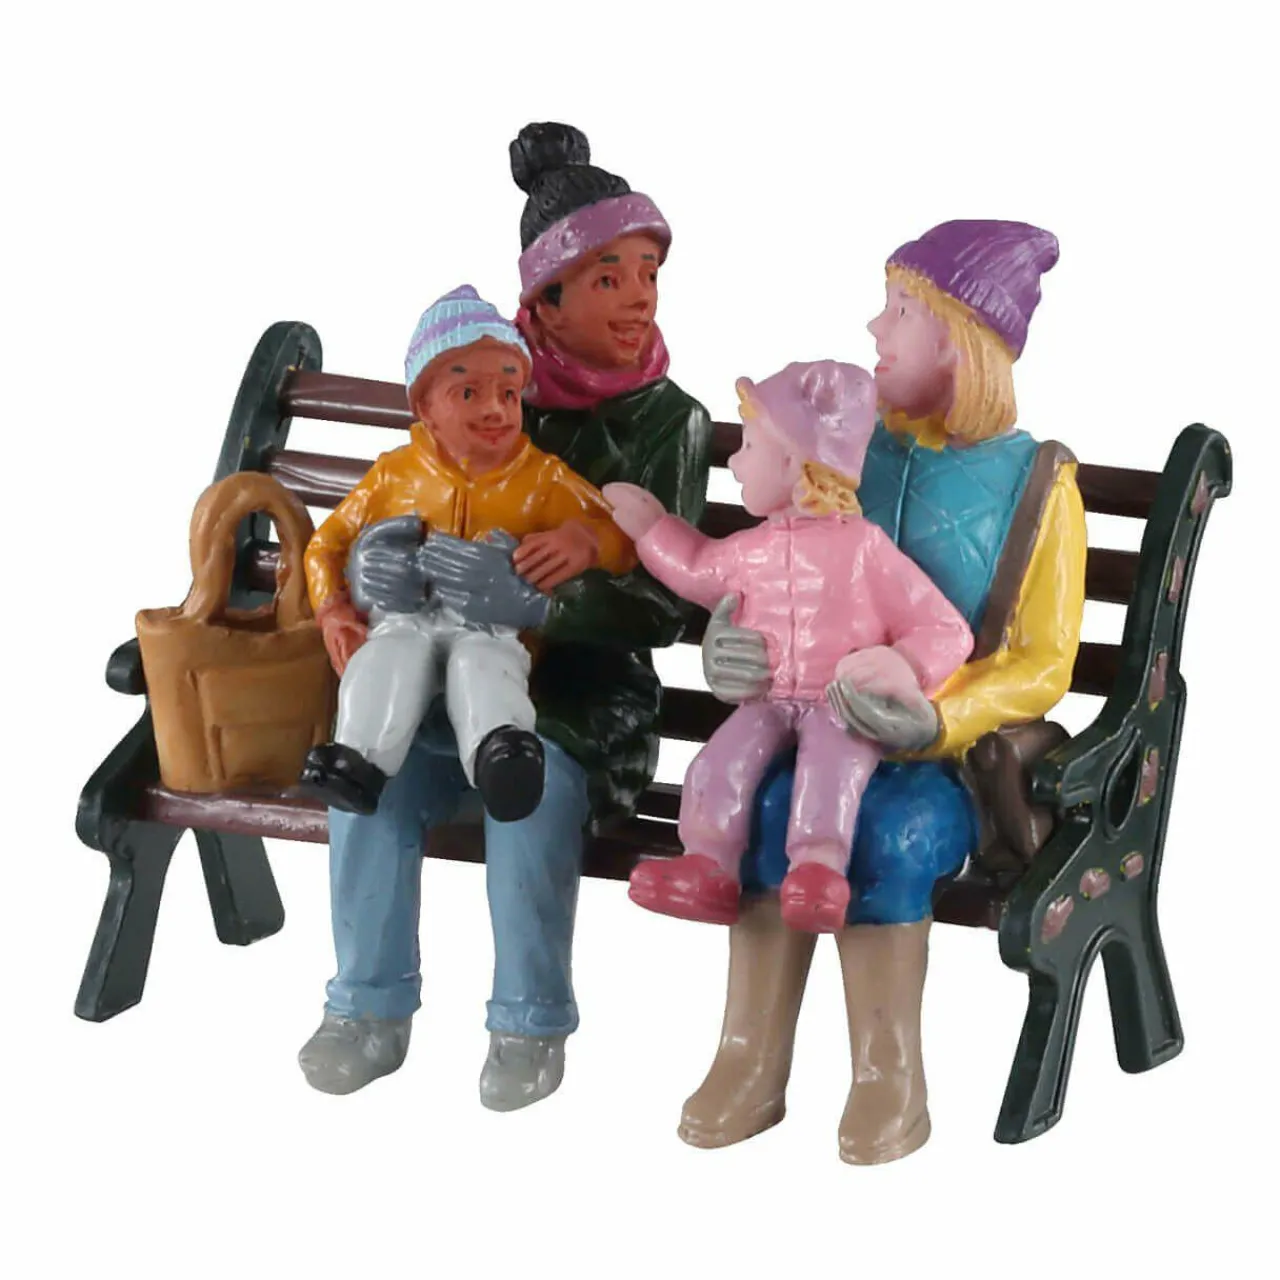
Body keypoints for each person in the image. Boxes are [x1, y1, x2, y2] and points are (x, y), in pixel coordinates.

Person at [297, 123, 712, 1111]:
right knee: (372, 785)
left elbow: (665, 603)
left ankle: (528, 1023)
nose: (639, 297)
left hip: (575, 706)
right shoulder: (484, 380)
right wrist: (370, 573)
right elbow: (375, 520)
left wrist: (543, 600)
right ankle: (367, 1007)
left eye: (647, 273)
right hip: (428, 683)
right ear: (544, 301)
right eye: (607, 277)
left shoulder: (667, 422)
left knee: (529, 793)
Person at [689, 220, 1087, 1165]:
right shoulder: (848, 454)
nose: (876, 328)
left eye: (902, 311)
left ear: (960, 340)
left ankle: (887, 1074)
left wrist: (937, 715)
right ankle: (749, 1057)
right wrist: (729, 646)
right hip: (811, 728)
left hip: (946, 765)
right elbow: (771, 572)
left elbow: (1044, 663)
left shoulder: (1040, 485)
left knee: (888, 831)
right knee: (770, 808)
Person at [606, 361, 971, 933]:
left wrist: (902, 664)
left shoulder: (864, 550)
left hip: (839, 701)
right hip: (769, 699)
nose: (735, 462)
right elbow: (699, 567)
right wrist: (655, 531)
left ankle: (818, 872)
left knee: (831, 771)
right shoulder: (752, 549)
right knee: (717, 764)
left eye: (750, 447)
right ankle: (708, 865)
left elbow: (946, 628)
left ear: (798, 466)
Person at [299, 285, 634, 824]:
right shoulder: (394, 474)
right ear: (425, 408)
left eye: (509, 393)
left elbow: (621, 535)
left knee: (485, 666)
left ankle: (501, 757)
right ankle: (358, 762)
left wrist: (586, 540)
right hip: (403, 618)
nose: (495, 410)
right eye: (469, 393)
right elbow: (325, 545)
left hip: (490, 622)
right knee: (386, 659)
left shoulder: (542, 479)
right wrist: (333, 609)